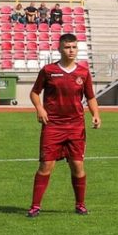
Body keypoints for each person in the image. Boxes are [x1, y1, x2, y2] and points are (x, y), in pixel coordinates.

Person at [28, 32, 100, 217]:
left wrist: (96, 114)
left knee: (77, 166)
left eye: (74, 47)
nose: (71, 50)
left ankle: (80, 205)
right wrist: (39, 108)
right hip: (53, 125)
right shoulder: (48, 70)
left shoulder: (83, 72)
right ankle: (35, 206)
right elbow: (35, 93)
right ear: (59, 48)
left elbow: (90, 97)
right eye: (67, 47)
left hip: (76, 126)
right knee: (46, 166)